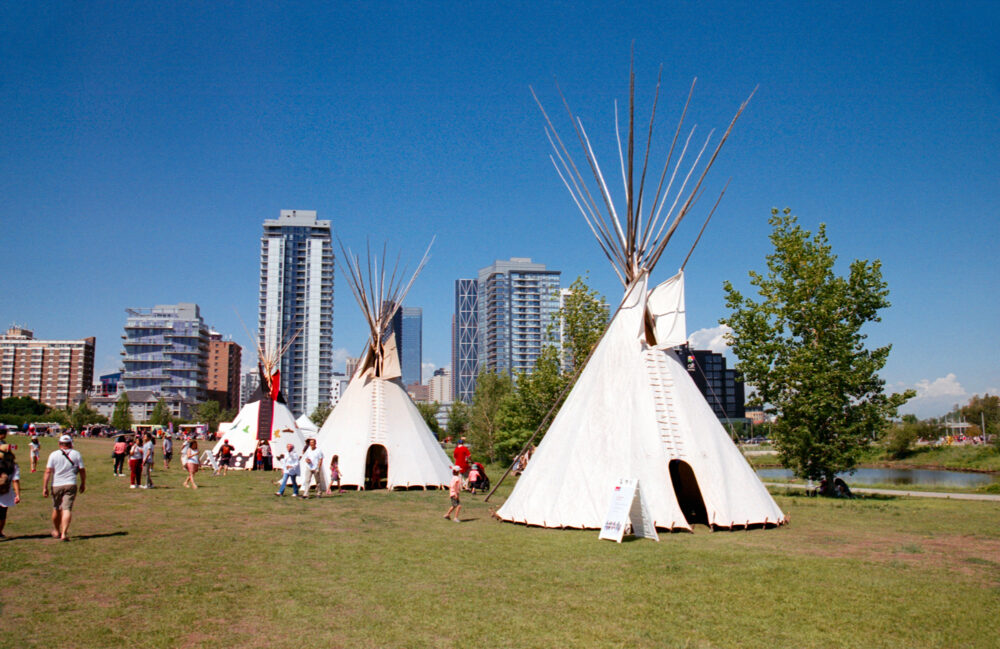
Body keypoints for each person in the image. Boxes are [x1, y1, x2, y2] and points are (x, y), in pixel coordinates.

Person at [42, 434, 86, 541]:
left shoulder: (53, 454)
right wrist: (83, 483)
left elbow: (48, 471)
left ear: (59, 444)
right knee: (67, 509)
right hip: (71, 483)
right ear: (71, 444)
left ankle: (57, 530)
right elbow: (82, 470)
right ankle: (64, 533)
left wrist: (45, 487)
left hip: (56, 484)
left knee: (56, 508)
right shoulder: (76, 454)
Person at [0, 439, 20, 538]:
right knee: (3, 514)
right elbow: (15, 480)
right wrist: (17, 495)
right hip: (6, 492)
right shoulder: (14, 466)